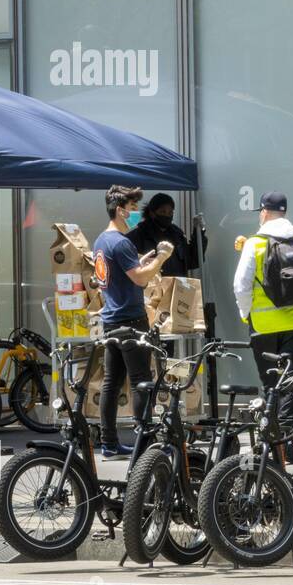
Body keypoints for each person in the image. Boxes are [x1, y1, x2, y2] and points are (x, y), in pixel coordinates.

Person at [92, 185, 175, 458]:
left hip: (111, 320)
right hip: (131, 319)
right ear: (120, 210)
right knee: (142, 380)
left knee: (111, 383)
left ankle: (109, 443)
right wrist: (162, 256)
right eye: (131, 208)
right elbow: (140, 278)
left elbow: (124, 269)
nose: (135, 213)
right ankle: (144, 444)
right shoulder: (121, 242)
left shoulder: (101, 242)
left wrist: (145, 258)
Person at [233, 191, 293, 464]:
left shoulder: (255, 243)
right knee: (291, 384)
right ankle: (288, 445)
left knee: (271, 385)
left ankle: (271, 445)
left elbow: (241, 285)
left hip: (265, 325)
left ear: (264, 212)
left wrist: (247, 315)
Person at [127, 193, 206, 278]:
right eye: (162, 211)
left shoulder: (177, 234)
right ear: (152, 213)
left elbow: (193, 261)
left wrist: (199, 232)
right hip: (151, 288)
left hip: (177, 288)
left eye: (170, 212)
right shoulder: (138, 236)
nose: (167, 215)